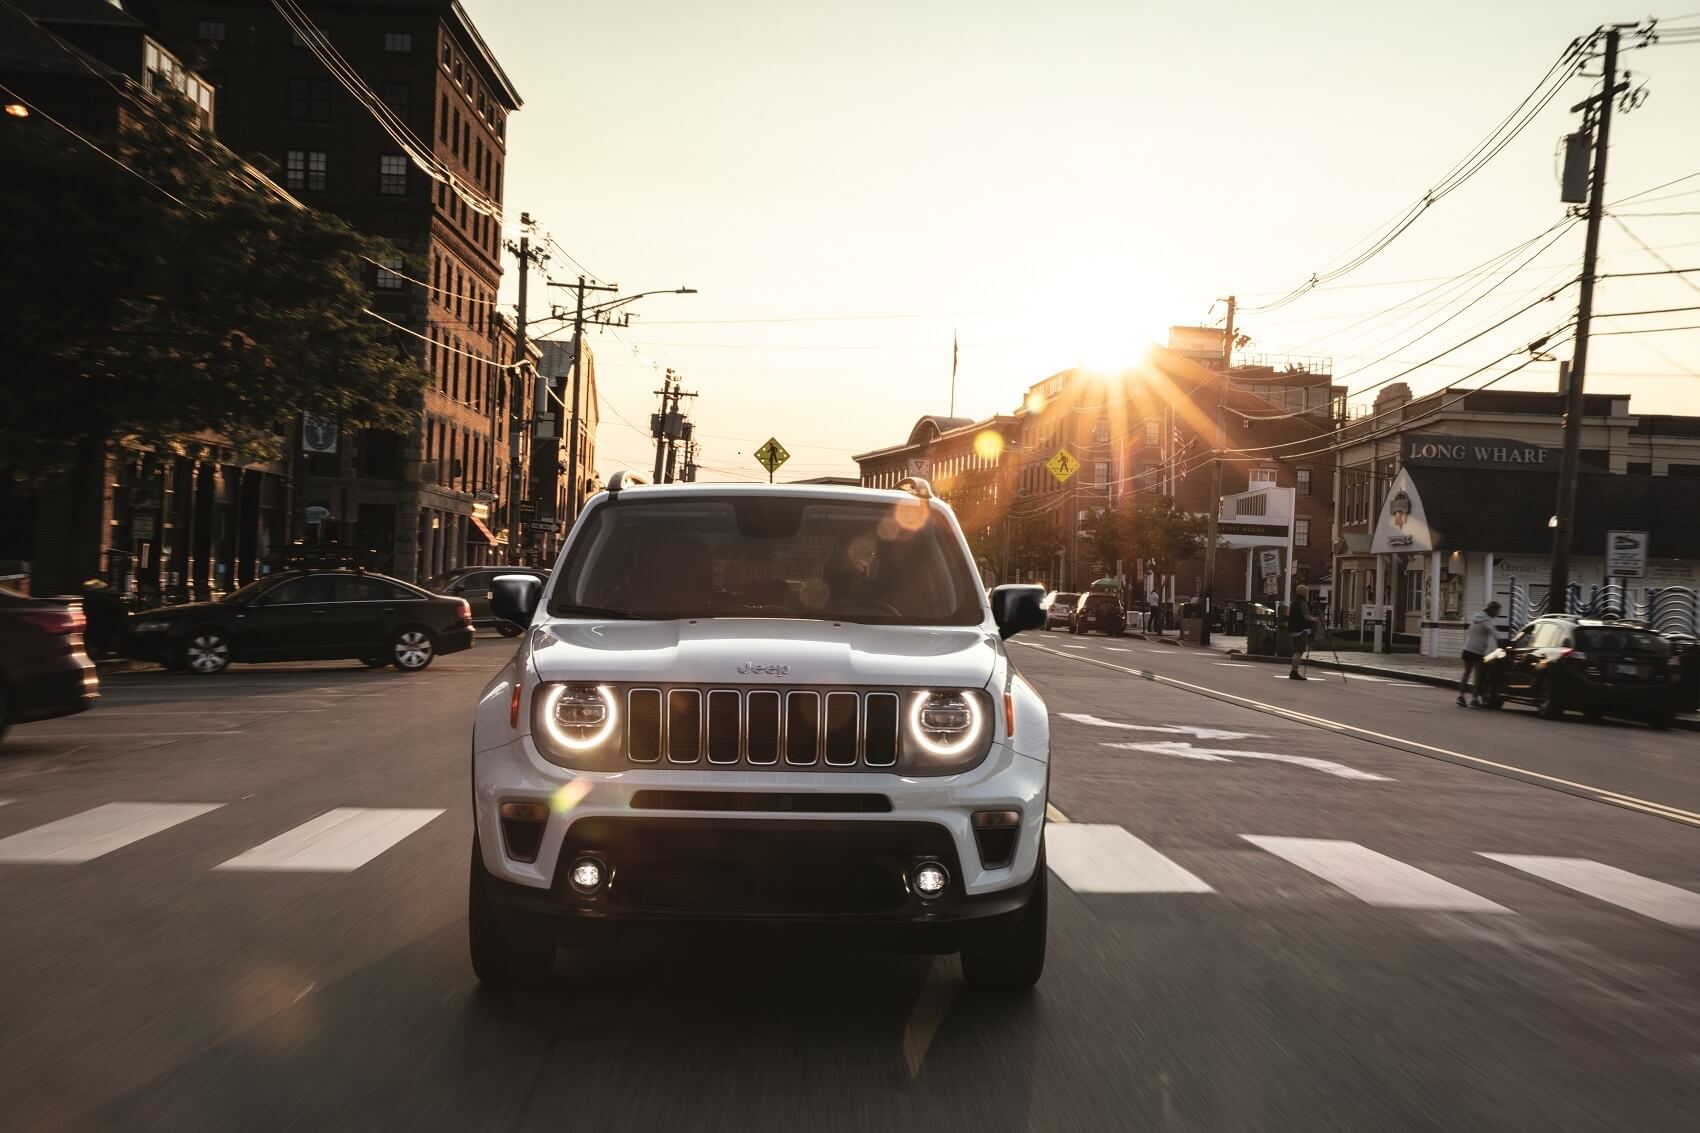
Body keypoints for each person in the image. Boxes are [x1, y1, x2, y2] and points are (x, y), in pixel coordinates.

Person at [1459, 600, 1501, 707]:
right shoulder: (1487, 620)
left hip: (1467, 648)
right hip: (1478, 651)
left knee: (1466, 673)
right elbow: (1494, 633)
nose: (1498, 613)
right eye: (1497, 611)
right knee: (1477, 676)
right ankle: (1474, 699)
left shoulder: (1477, 616)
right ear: (1492, 609)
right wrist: (1501, 642)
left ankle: (1461, 696)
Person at [1287, 584, 1314, 680]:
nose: (1306, 593)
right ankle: (1294, 672)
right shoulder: (1302, 603)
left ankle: (1294, 672)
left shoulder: (1294, 602)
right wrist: (1315, 619)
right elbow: (1306, 616)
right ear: (1301, 592)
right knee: (1299, 652)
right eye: (1305, 591)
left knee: (1297, 651)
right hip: (1300, 630)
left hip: (1293, 629)